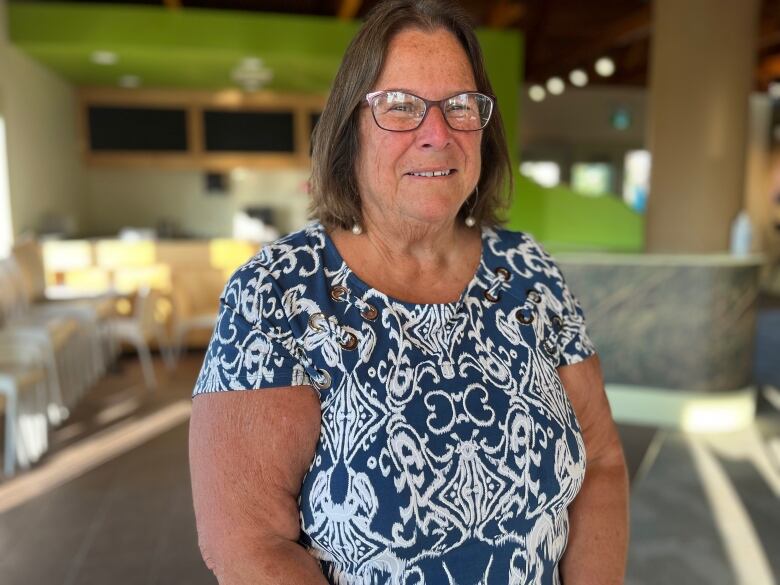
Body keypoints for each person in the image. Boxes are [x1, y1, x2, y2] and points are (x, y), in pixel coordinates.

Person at [189, 1, 629, 583]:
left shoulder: (530, 270)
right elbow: (249, 547)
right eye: (400, 107)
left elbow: (601, 462)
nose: (437, 134)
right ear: (351, 130)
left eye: (459, 106)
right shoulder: (279, 293)